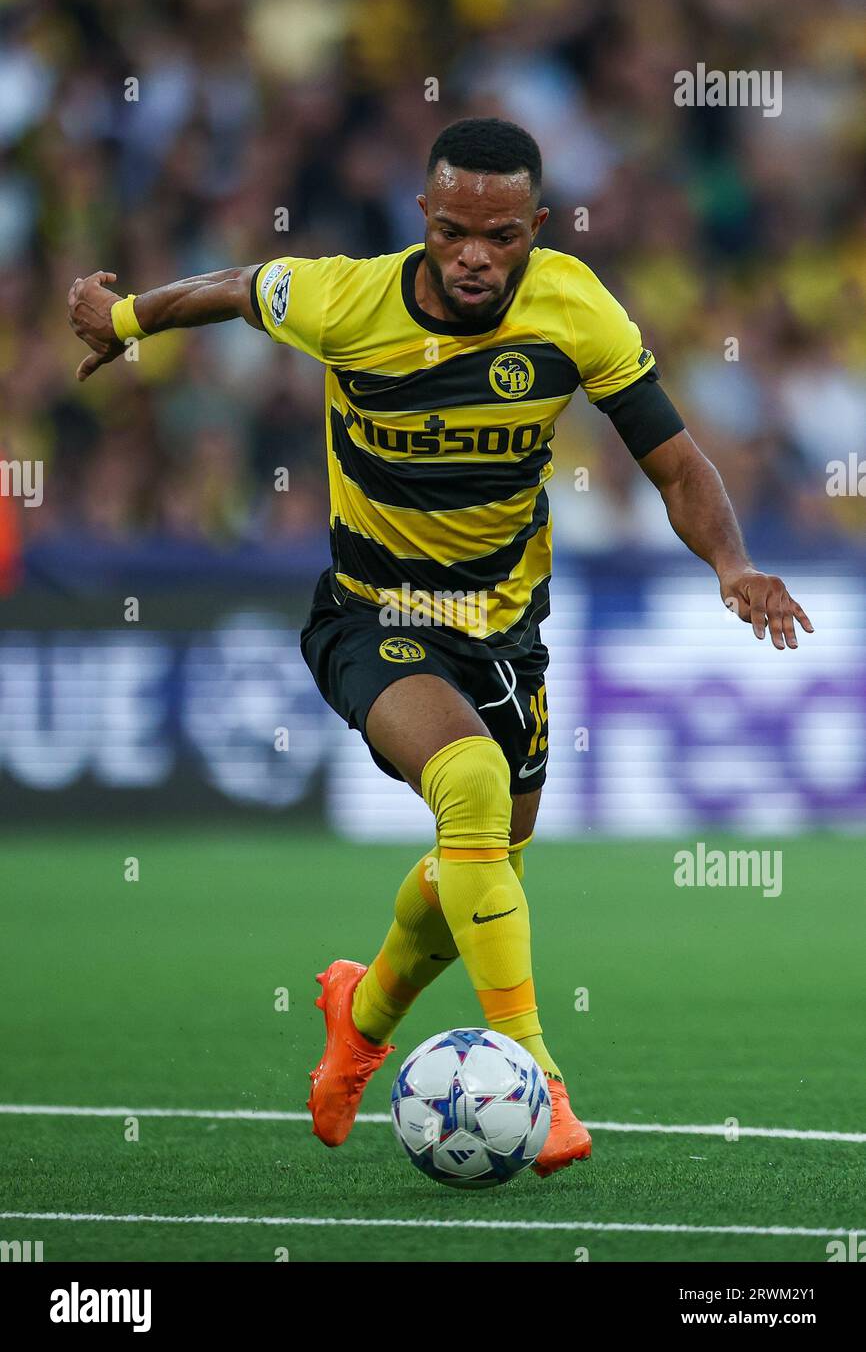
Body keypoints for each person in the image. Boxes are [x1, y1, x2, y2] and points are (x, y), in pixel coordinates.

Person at [67, 117, 813, 1177]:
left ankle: (356, 1021)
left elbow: (673, 457)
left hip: (505, 635)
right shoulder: (344, 300)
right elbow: (239, 285)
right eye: (455, 229)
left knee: (481, 867)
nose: (475, 254)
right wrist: (127, 315)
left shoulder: (574, 307)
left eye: (501, 235)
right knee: (467, 787)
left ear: (534, 228)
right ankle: (540, 1077)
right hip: (371, 614)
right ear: (423, 218)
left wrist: (730, 565)